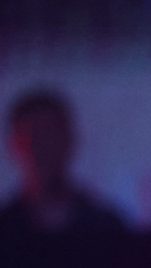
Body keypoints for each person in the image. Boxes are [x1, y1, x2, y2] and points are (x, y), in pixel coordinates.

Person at [1, 90, 125, 232]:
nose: (44, 147)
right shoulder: (5, 228)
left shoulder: (106, 227)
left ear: (69, 140)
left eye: (51, 135)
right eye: (34, 136)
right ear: (14, 144)